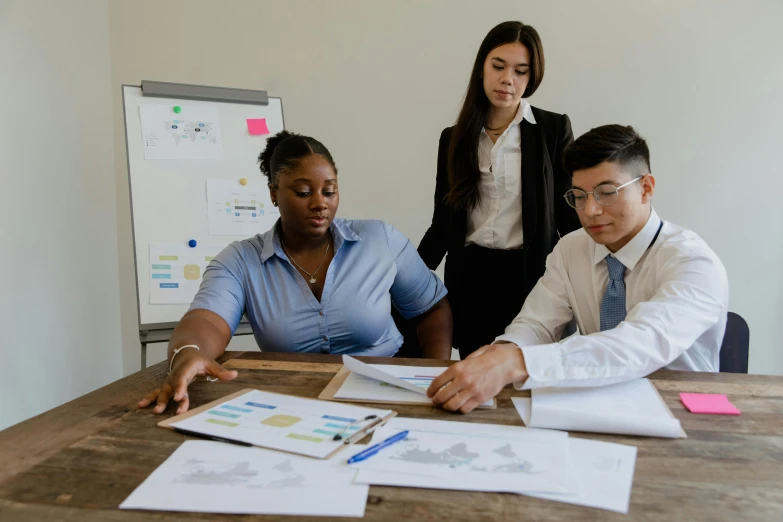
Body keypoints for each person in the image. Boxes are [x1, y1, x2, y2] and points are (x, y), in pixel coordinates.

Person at [139, 130, 453, 414]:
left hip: (390, 395)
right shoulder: (240, 261)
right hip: (294, 403)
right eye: (303, 192)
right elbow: (205, 320)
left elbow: (432, 308)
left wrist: (434, 374)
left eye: (329, 191)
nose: (320, 203)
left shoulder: (379, 240)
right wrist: (188, 354)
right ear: (273, 192)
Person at [427, 124, 729, 413]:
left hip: (681, 412)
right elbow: (537, 324)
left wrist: (518, 362)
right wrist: (503, 351)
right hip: (594, 405)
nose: (590, 211)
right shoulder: (571, 249)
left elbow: (639, 343)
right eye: (579, 196)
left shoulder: (693, 262)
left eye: (606, 192)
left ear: (646, 188)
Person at [416, 21, 581, 359]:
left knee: (529, 377)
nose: (508, 79)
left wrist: (598, 272)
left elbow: (570, 215)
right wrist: (404, 278)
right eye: (498, 66)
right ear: (482, 68)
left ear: (531, 78)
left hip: (532, 279)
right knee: (476, 379)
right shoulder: (454, 138)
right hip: (470, 279)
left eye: (521, 71)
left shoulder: (552, 129)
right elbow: (443, 225)